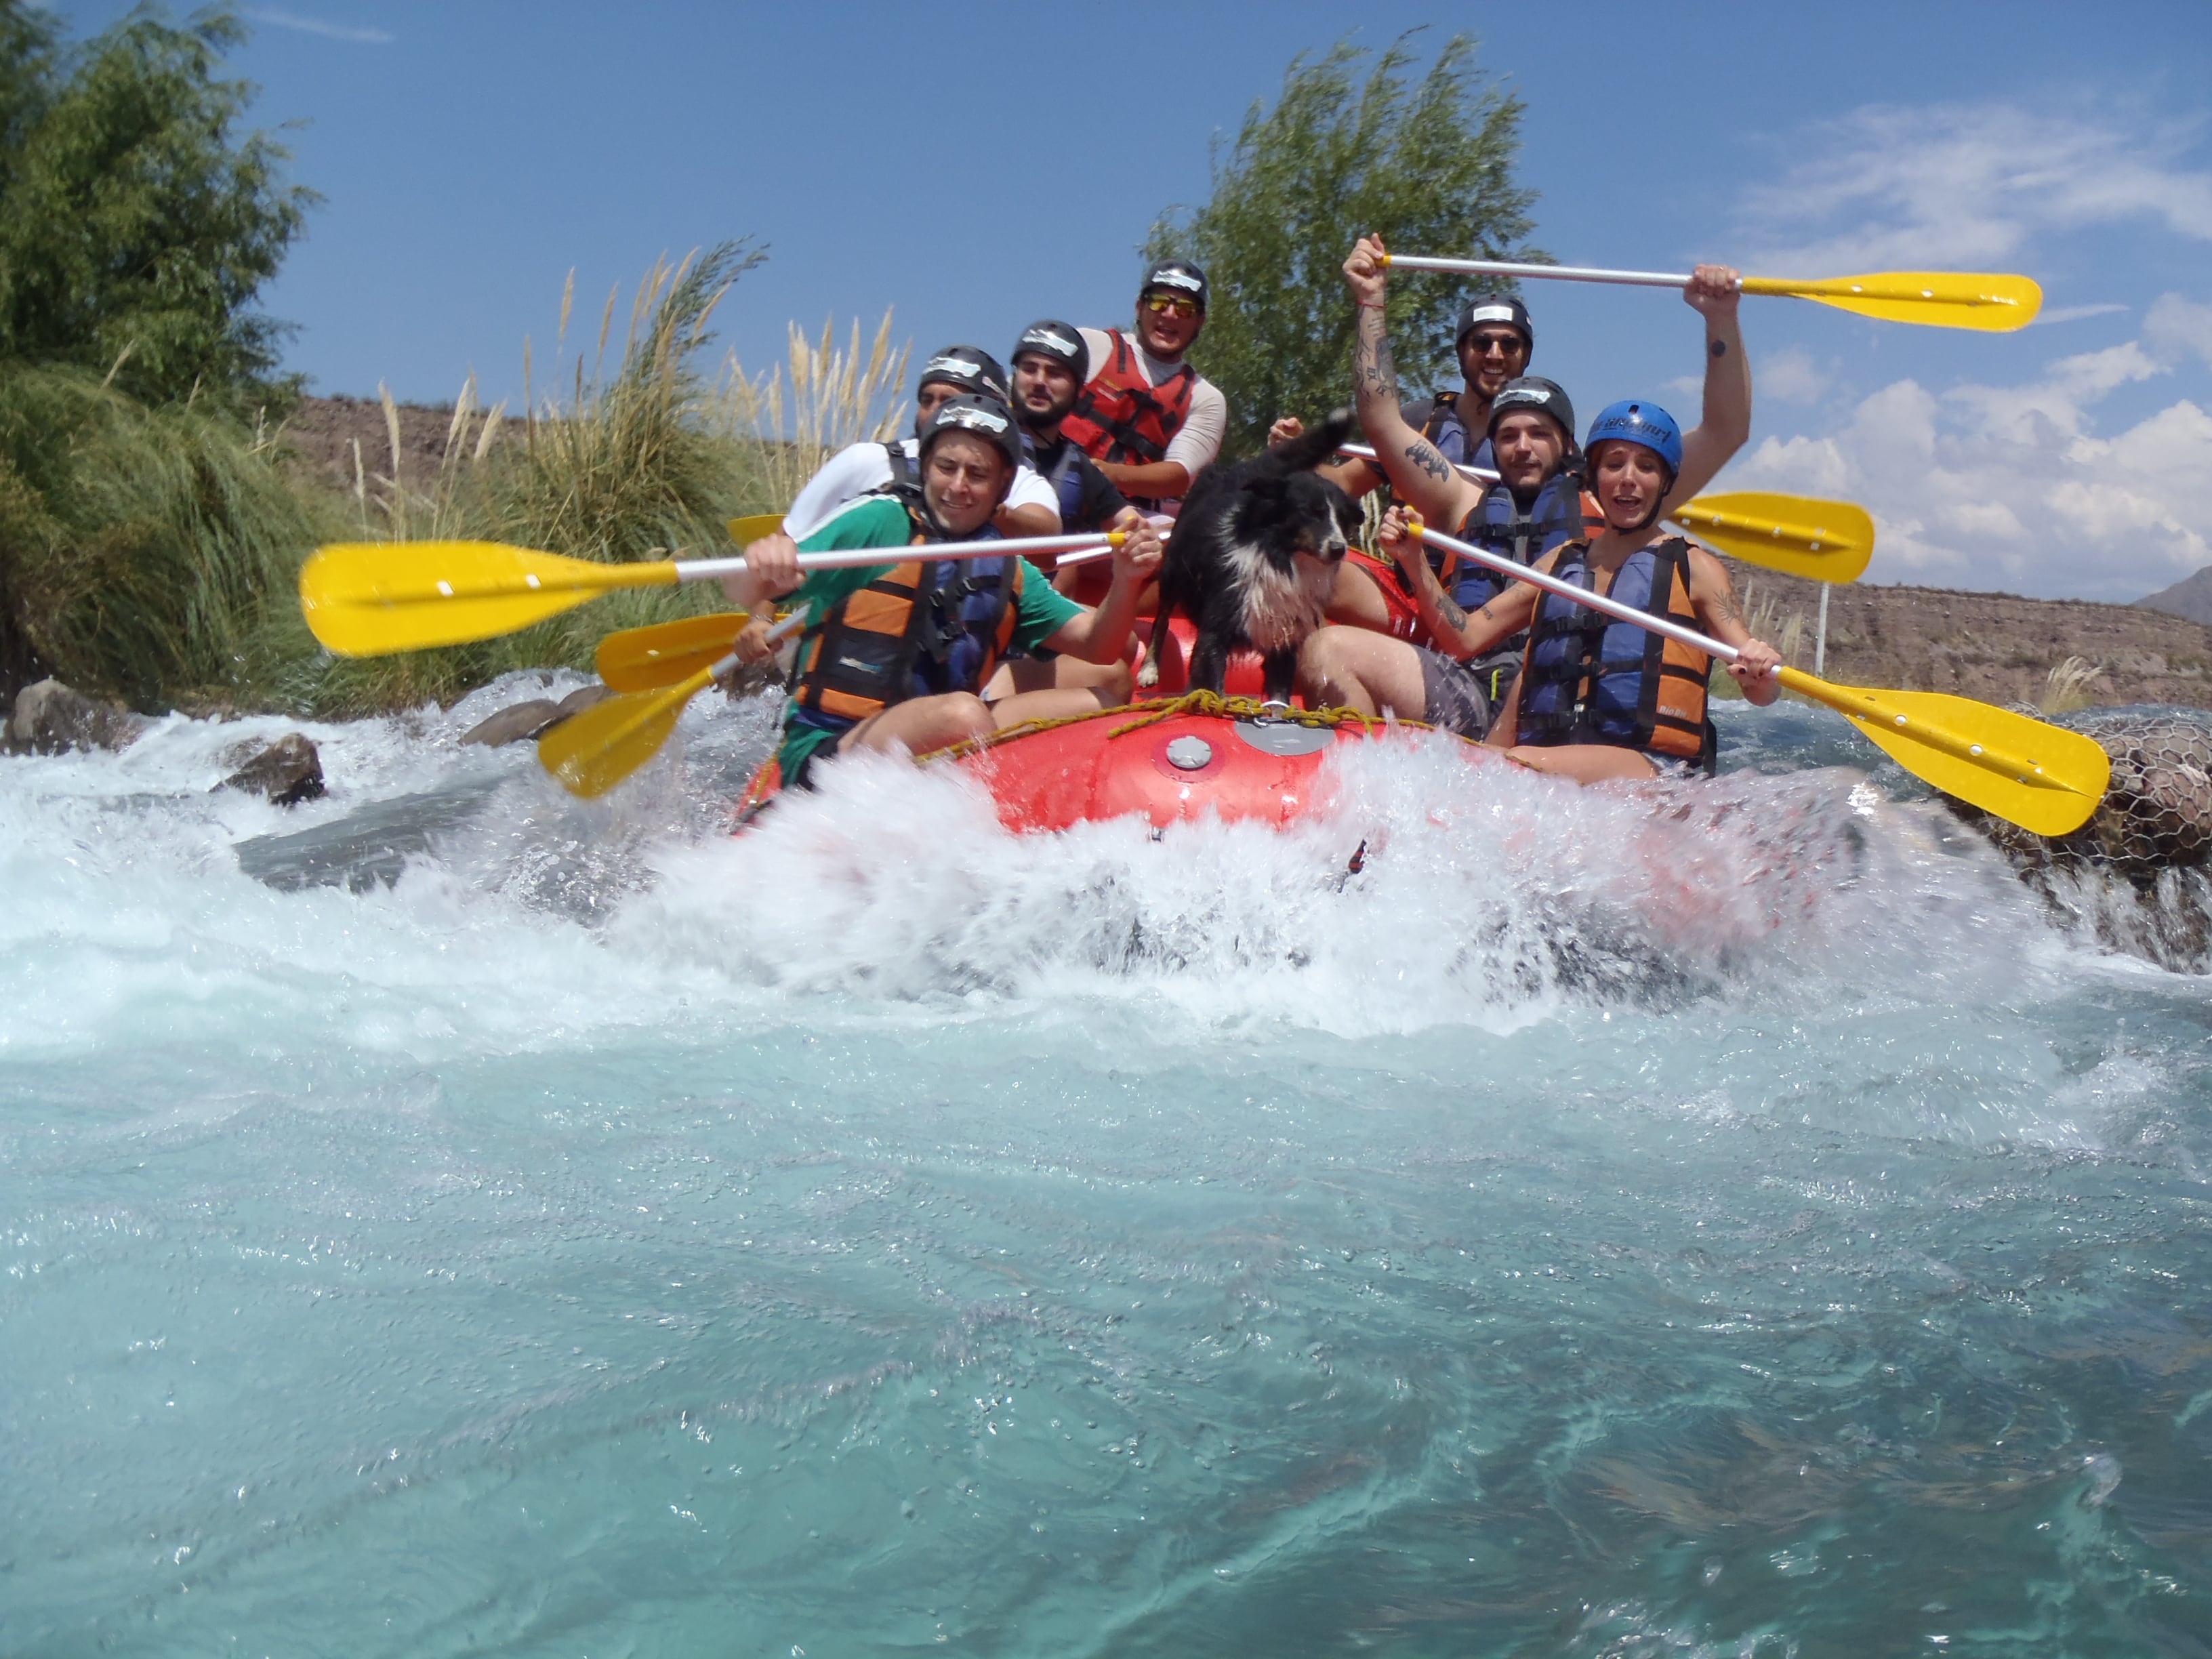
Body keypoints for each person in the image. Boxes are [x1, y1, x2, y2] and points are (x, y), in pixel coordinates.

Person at [1313, 401, 1781, 782]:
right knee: (1467, 772)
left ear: (1665, 482)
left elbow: (1759, 689)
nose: (1628, 478)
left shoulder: (1694, 567)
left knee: (1505, 771)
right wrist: (1415, 564)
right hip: (1549, 759)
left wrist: (1759, 672)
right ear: (1594, 476)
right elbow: (1466, 638)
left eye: (1646, 467)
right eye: (1614, 464)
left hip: (1652, 768)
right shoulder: (1560, 565)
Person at [724, 394, 1163, 792]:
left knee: (1107, 690)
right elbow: (744, 588)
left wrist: (1126, 581)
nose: (958, 486)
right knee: (963, 716)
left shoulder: (1006, 563)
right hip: (832, 747)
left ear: (1001, 488)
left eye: (978, 474)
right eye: (946, 468)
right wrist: (765, 562)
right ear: (926, 466)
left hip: (934, 723)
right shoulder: (879, 522)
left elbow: (1100, 646)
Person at [781, 346, 1063, 541]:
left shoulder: (1020, 481)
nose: (934, 411)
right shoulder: (864, 460)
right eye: (927, 400)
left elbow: (1046, 541)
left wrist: (983, 507)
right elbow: (792, 540)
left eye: (949, 401)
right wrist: (761, 620)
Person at [1062, 260, 1229, 513]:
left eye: (1185, 309)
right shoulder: (1088, 345)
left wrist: (1110, 474)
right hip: (1054, 487)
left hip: (1130, 520)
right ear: (1140, 307)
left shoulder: (1206, 399)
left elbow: (1179, 476)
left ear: (1200, 321)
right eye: (1159, 302)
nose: (1170, 314)